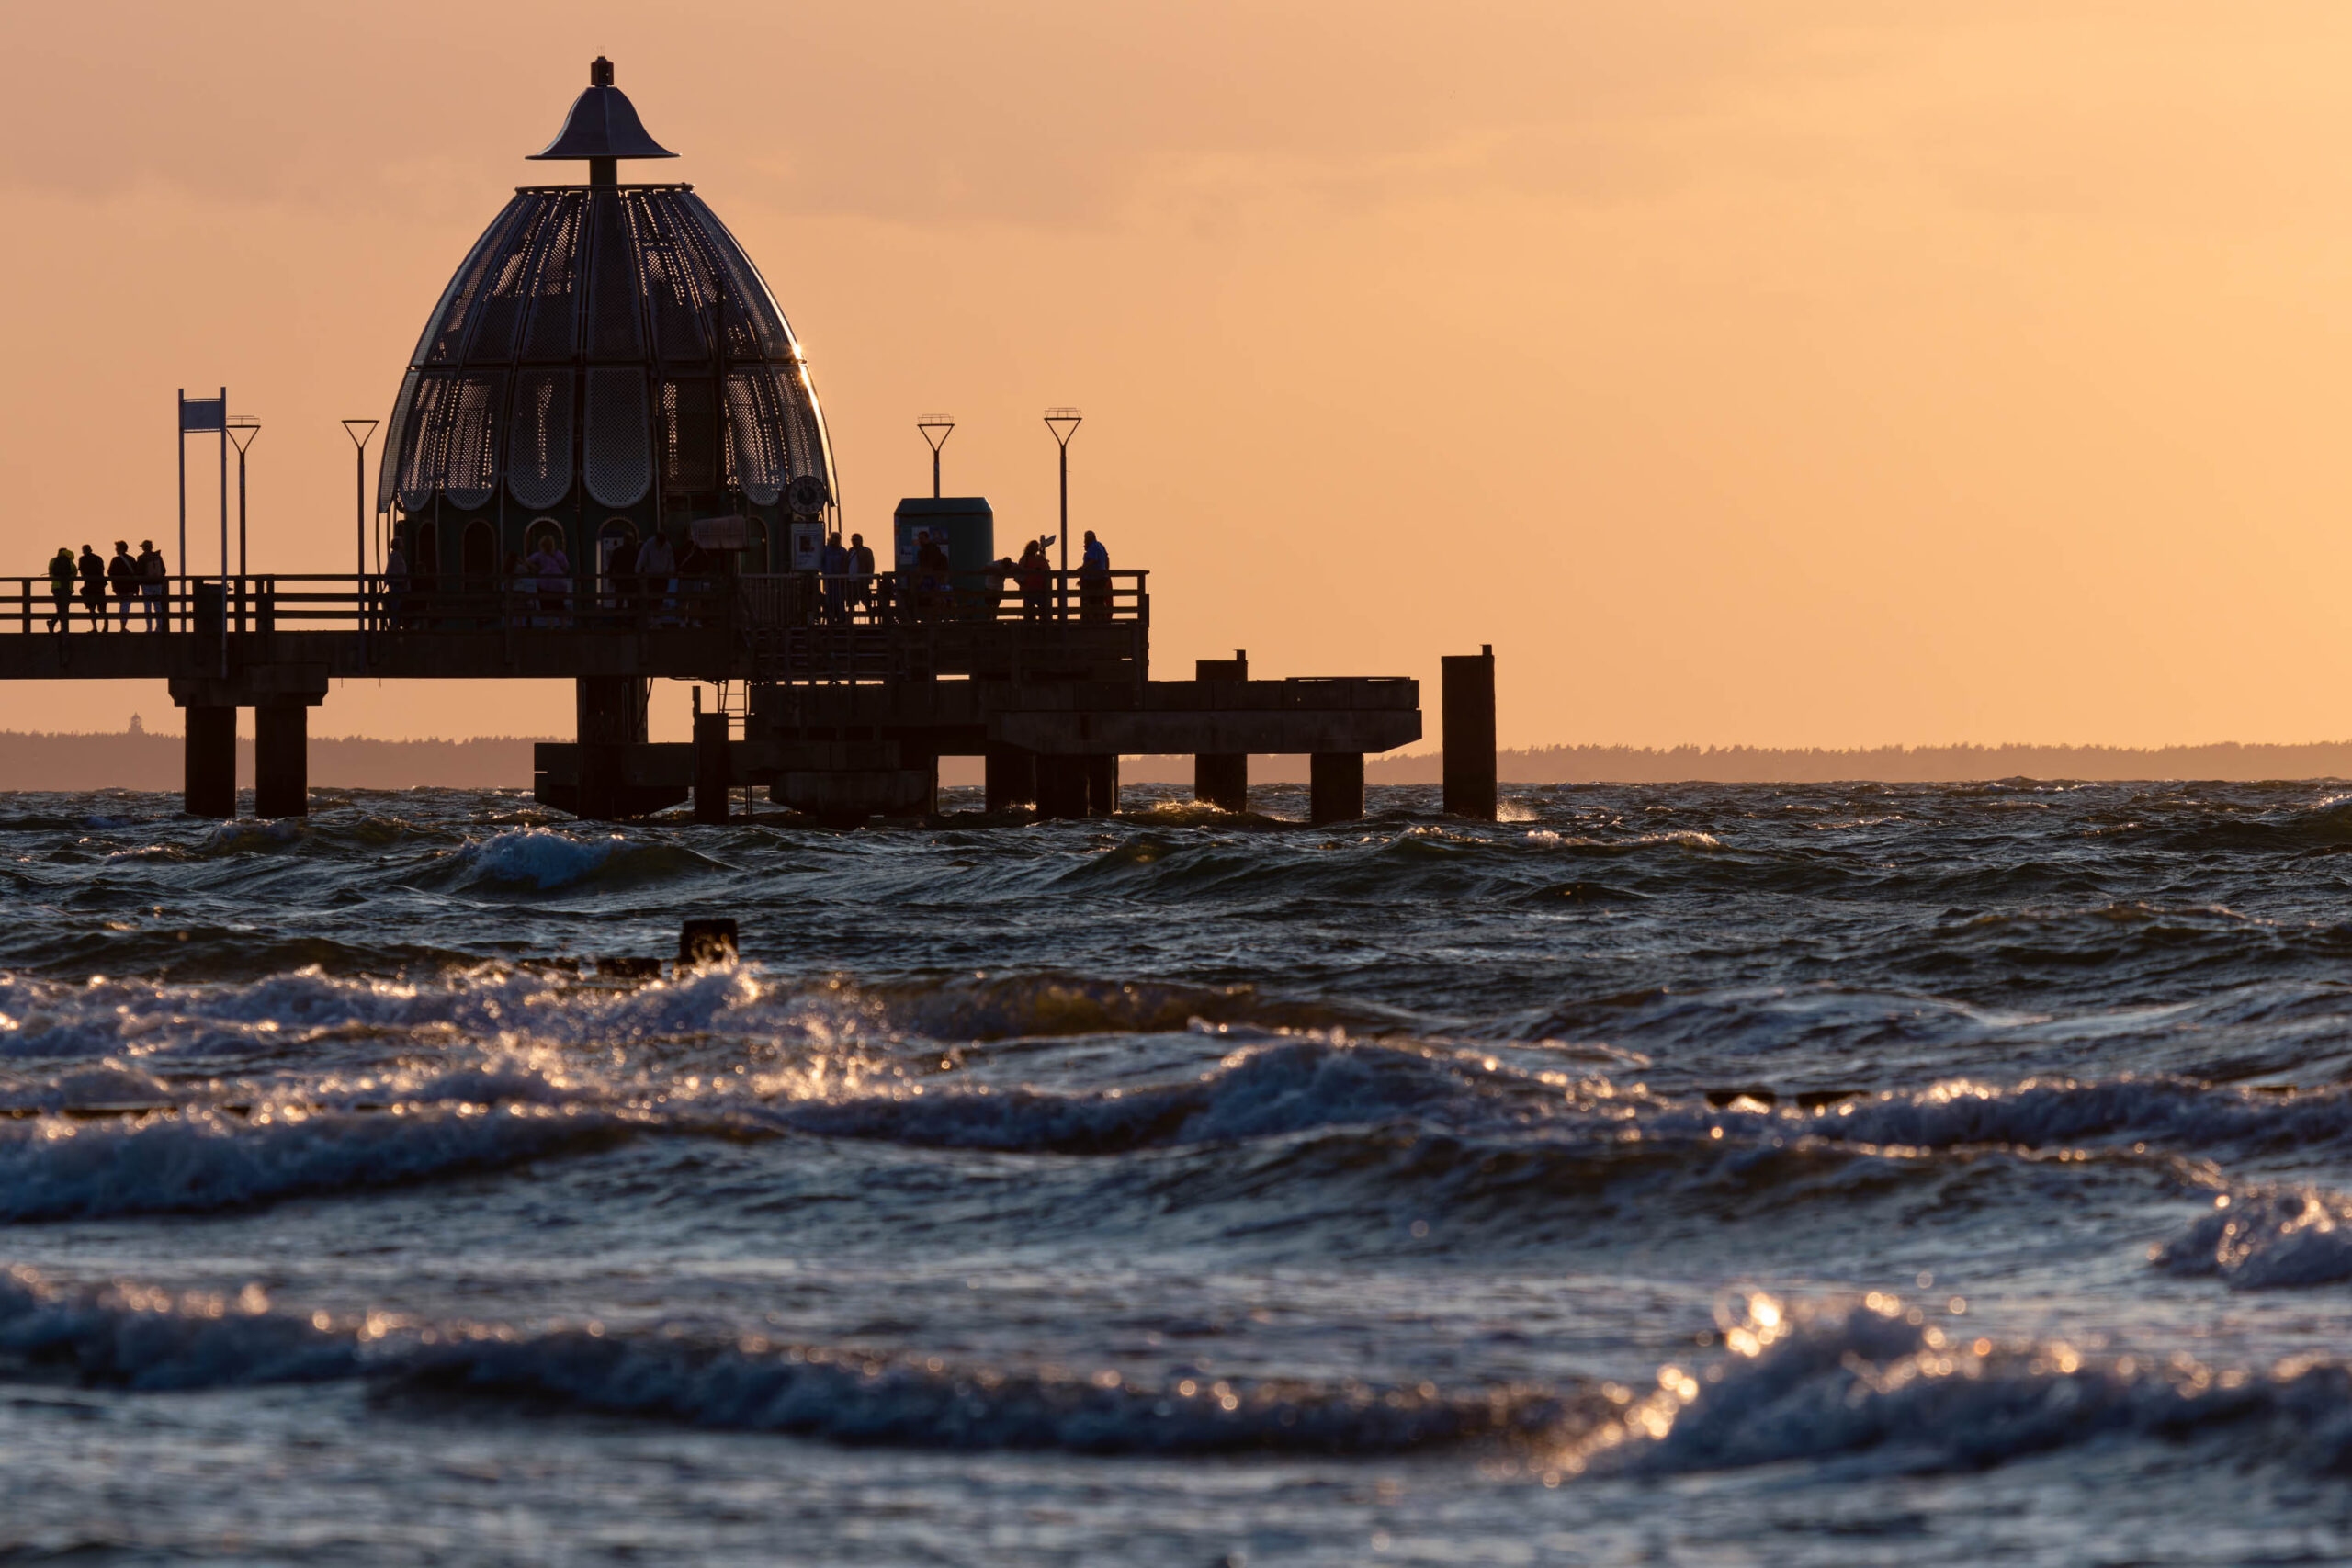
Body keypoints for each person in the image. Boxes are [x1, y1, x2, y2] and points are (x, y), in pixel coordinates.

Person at [632, 528, 675, 626]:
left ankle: (657, 619)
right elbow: (642, 557)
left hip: (662, 576)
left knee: (660, 597)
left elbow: (670, 559)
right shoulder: (649, 544)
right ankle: (651, 619)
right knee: (651, 597)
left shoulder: (667, 546)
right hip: (651, 575)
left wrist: (670, 571)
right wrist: (637, 571)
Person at [526, 535, 568, 627]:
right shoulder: (559, 554)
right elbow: (566, 567)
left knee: (548, 609)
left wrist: (537, 569)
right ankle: (564, 629)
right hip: (559, 584)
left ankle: (551, 628)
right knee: (560, 607)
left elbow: (528, 561)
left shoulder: (540, 555)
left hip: (544, 584)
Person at [1079, 528, 1111, 621]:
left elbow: (1093, 560)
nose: (1084, 541)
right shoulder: (1100, 545)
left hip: (1095, 578)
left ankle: (1093, 619)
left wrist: (1083, 568)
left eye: (1085, 538)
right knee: (1099, 599)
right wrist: (1107, 571)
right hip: (1101, 577)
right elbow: (1107, 558)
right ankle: (1101, 618)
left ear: (1089, 539)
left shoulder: (1093, 546)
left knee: (1091, 599)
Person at [820, 531, 851, 623]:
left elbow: (846, 564)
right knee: (829, 600)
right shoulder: (826, 550)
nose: (835, 540)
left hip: (839, 580)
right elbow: (821, 563)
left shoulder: (843, 551)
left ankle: (841, 619)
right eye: (833, 538)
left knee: (840, 600)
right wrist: (824, 573)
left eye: (837, 538)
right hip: (829, 580)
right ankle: (830, 619)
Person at [107, 541, 138, 630]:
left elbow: (110, 573)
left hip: (119, 588)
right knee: (126, 607)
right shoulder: (131, 559)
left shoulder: (115, 560)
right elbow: (136, 573)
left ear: (121, 549)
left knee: (123, 606)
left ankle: (123, 627)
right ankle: (123, 627)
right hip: (130, 588)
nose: (115, 549)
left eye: (117, 548)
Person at [1017, 539, 1050, 622]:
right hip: (1029, 588)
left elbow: (1048, 568)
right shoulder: (1025, 558)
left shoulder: (1040, 558)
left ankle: (1043, 625)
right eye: (1034, 546)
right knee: (1030, 611)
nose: (1035, 548)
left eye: (1037, 546)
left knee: (1043, 609)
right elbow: (1019, 571)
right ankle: (1030, 625)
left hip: (1041, 588)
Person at [136, 540, 166, 630]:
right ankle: (159, 627)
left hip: (146, 585)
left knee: (147, 606)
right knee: (158, 605)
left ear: (143, 548)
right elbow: (164, 570)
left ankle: (149, 627)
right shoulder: (157, 556)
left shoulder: (141, 557)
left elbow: (139, 572)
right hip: (157, 584)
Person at [76, 545, 107, 630]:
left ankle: (95, 628)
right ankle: (105, 626)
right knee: (102, 608)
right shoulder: (98, 558)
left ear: (84, 551)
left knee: (91, 608)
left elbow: (82, 572)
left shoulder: (82, 559)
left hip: (89, 585)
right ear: (91, 550)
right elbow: (102, 570)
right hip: (100, 585)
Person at [45, 547, 74, 633]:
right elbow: (74, 573)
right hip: (67, 589)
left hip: (56, 588)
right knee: (64, 609)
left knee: (60, 608)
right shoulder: (70, 562)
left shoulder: (53, 561)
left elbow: (51, 574)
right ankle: (61, 628)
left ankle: (55, 624)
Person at [848, 531, 876, 618]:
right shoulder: (850, 551)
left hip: (863, 581)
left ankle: (872, 621)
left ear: (861, 540)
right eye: (853, 540)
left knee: (867, 602)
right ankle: (850, 623)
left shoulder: (866, 551)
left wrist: (869, 578)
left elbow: (871, 565)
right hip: (851, 582)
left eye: (856, 539)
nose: (854, 541)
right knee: (851, 603)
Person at [384, 539, 410, 630]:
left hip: (396, 583)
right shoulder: (396, 556)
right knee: (395, 605)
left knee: (396, 604)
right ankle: (394, 624)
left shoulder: (394, 556)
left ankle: (395, 624)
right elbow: (396, 571)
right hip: (396, 584)